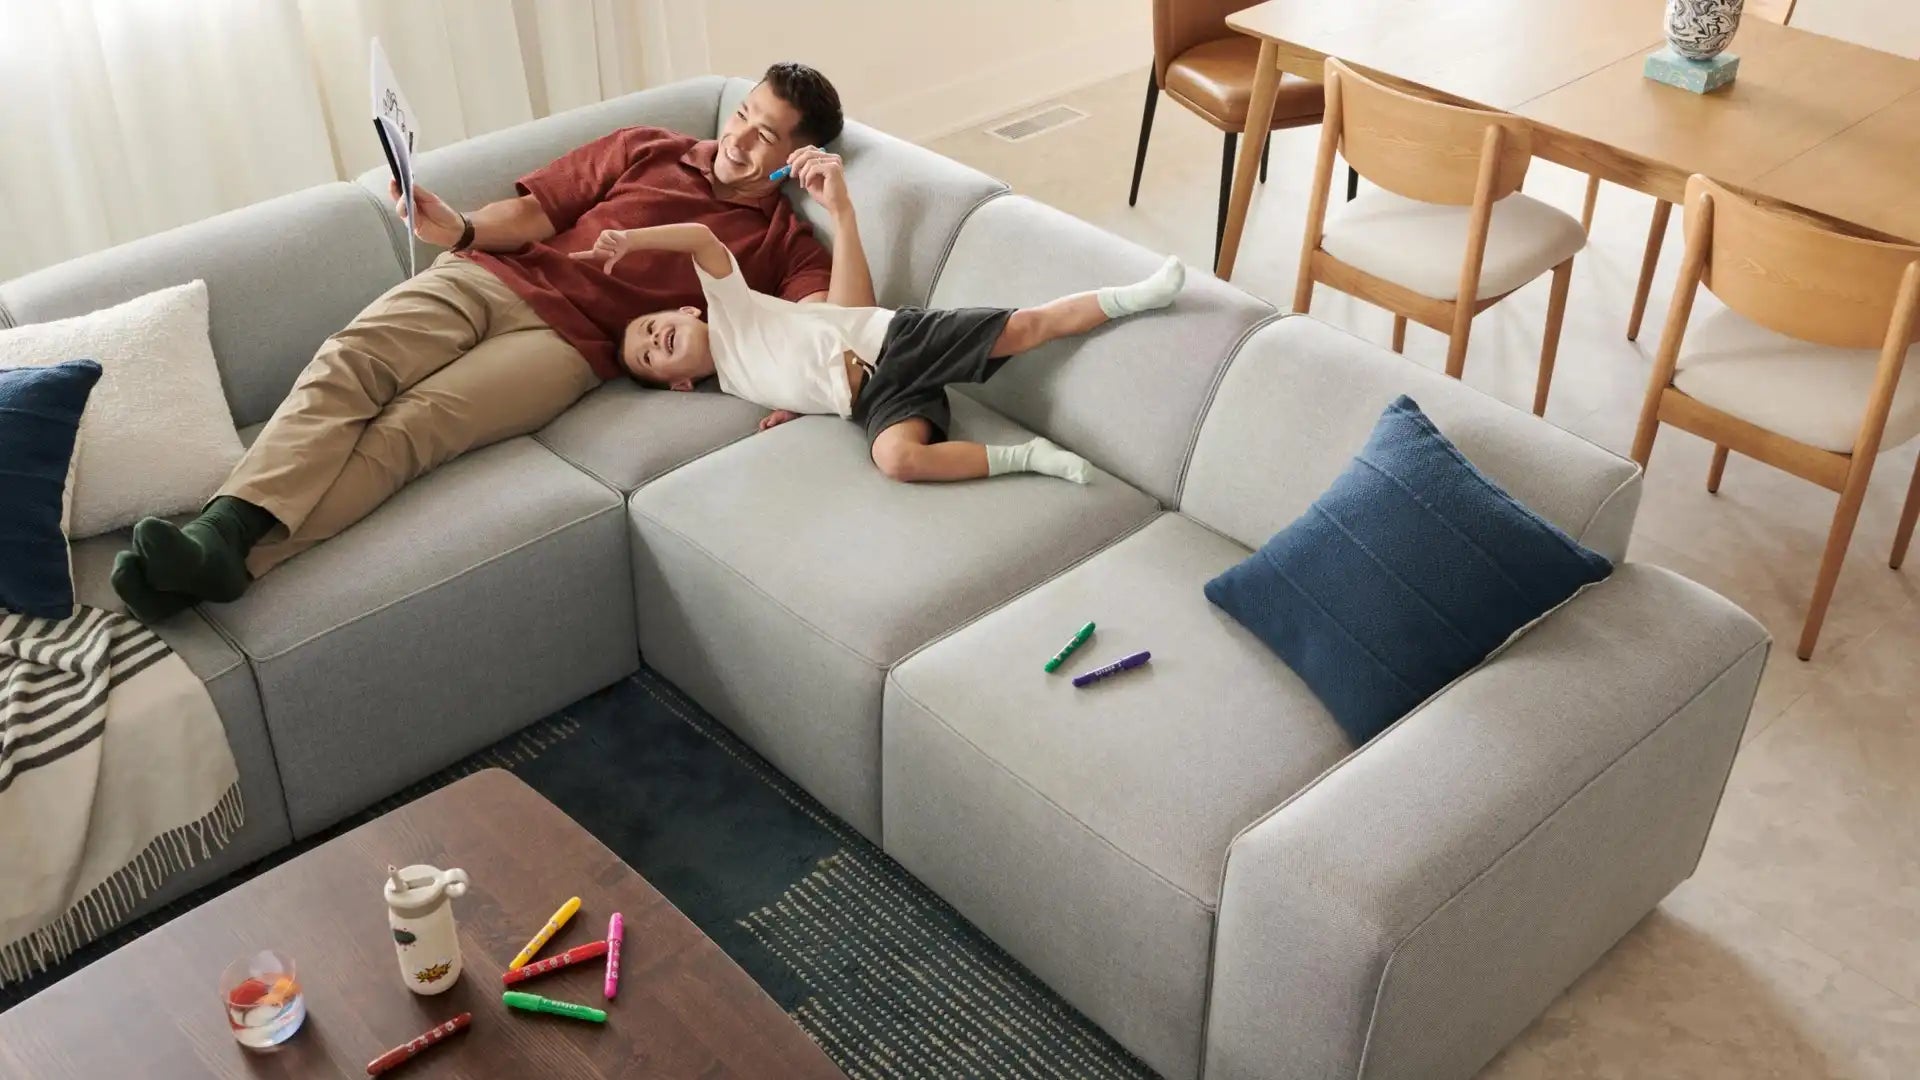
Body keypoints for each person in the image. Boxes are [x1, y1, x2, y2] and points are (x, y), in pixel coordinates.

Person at [112, 62, 869, 624]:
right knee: (351, 361)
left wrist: (841, 209)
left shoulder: (784, 242)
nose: (738, 137)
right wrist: (461, 228)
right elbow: (537, 214)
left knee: (412, 429)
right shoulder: (648, 148)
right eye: (743, 114)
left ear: (793, 156)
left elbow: (842, 331)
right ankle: (217, 533)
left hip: (568, 347)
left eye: (765, 134)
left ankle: (227, 560)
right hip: (489, 275)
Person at [573, 222, 1186, 483]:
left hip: (896, 340)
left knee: (1026, 327)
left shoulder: (730, 305)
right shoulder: (735, 383)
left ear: (686, 311)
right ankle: (1028, 459)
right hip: (875, 400)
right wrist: (794, 407)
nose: (654, 340)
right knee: (897, 460)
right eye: (649, 356)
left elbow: (702, 238)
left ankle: (1135, 295)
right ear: (679, 385)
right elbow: (796, 371)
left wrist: (632, 240)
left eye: (651, 327)